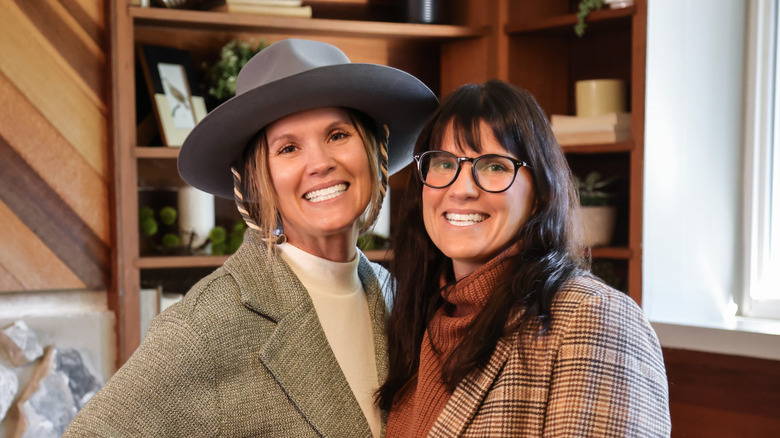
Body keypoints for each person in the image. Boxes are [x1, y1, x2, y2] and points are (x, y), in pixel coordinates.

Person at [64, 39, 438, 437]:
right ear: (259, 181)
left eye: (338, 135)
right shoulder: (206, 326)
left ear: (373, 150)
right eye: (289, 148)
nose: (320, 164)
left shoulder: (396, 297)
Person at [377, 80, 671, 437]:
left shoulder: (592, 318)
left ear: (539, 192)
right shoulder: (419, 320)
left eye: (494, 166)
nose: (461, 188)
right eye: (443, 162)